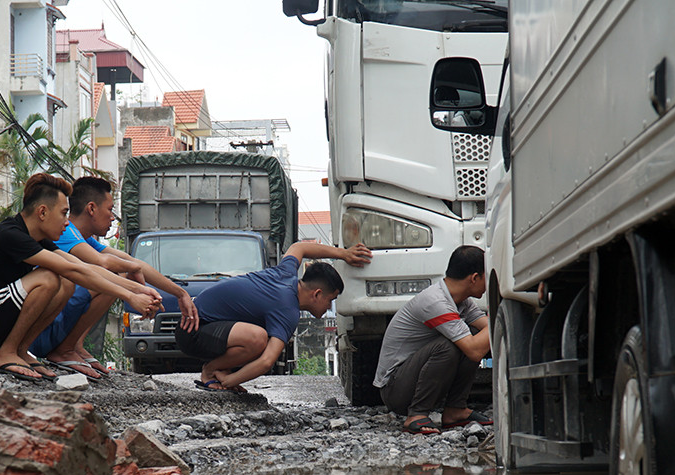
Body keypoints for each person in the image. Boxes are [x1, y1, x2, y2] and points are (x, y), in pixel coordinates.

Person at [0, 173, 163, 383]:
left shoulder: (38, 240)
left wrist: (138, 290)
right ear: (42, 212)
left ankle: (20, 350)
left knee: (65, 281)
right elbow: (75, 270)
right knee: (49, 277)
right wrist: (130, 296)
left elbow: (84, 268)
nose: (67, 222)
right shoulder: (11, 235)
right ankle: (6, 353)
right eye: (64, 213)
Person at [31, 176, 199, 379]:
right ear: (91, 209)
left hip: (49, 324)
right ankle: (65, 350)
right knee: (109, 276)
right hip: (37, 331)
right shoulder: (66, 233)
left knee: (115, 273)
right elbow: (104, 264)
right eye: (110, 209)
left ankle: (74, 346)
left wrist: (180, 293)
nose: (112, 217)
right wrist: (135, 289)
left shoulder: (84, 239)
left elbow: (133, 262)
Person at [175, 240, 372, 394]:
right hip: (193, 330)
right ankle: (210, 372)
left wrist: (343, 254)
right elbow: (267, 361)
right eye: (330, 300)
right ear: (317, 294)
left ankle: (221, 370)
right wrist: (229, 382)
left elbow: (299, 247)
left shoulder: (286, 273)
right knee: (258, 338)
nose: (330, 307)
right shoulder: (287, 309)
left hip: (203, 327)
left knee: (259, 336)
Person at [373, 245, 492, 434]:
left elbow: (487, 329)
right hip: (395, 389)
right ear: (474, 278)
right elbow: (475, 350)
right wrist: (501, 312)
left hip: (413, 379)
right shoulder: (435, 302)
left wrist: (495, 321)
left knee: (469, 335)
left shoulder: (461, 301)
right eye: (488, 277)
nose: (489, 283)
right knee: (450, 345)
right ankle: (416, 415)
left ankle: (455, 410)